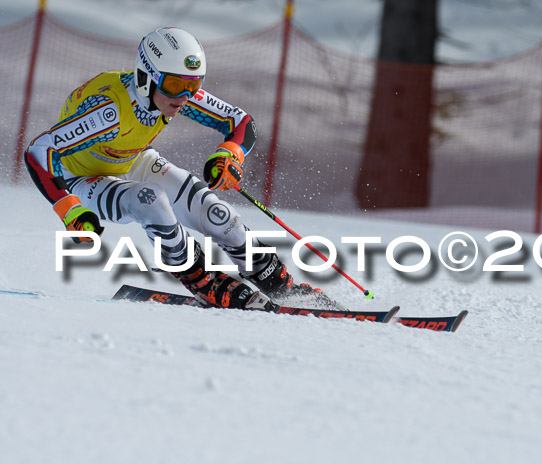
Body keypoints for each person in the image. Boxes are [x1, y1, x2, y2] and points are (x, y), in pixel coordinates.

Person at [24, 27, 329, 310]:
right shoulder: (109, 112)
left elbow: (240, 121)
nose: (183, 97)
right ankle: (200, 278)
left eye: (193, 85)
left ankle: (275, 280)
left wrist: (229, 154)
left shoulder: (173, 95)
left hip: (130, 159)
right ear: (146, 77)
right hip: (81, 178)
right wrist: (69, 209)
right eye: (174, 85)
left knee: (217, 214)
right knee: (151, 200)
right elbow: (39, 150)